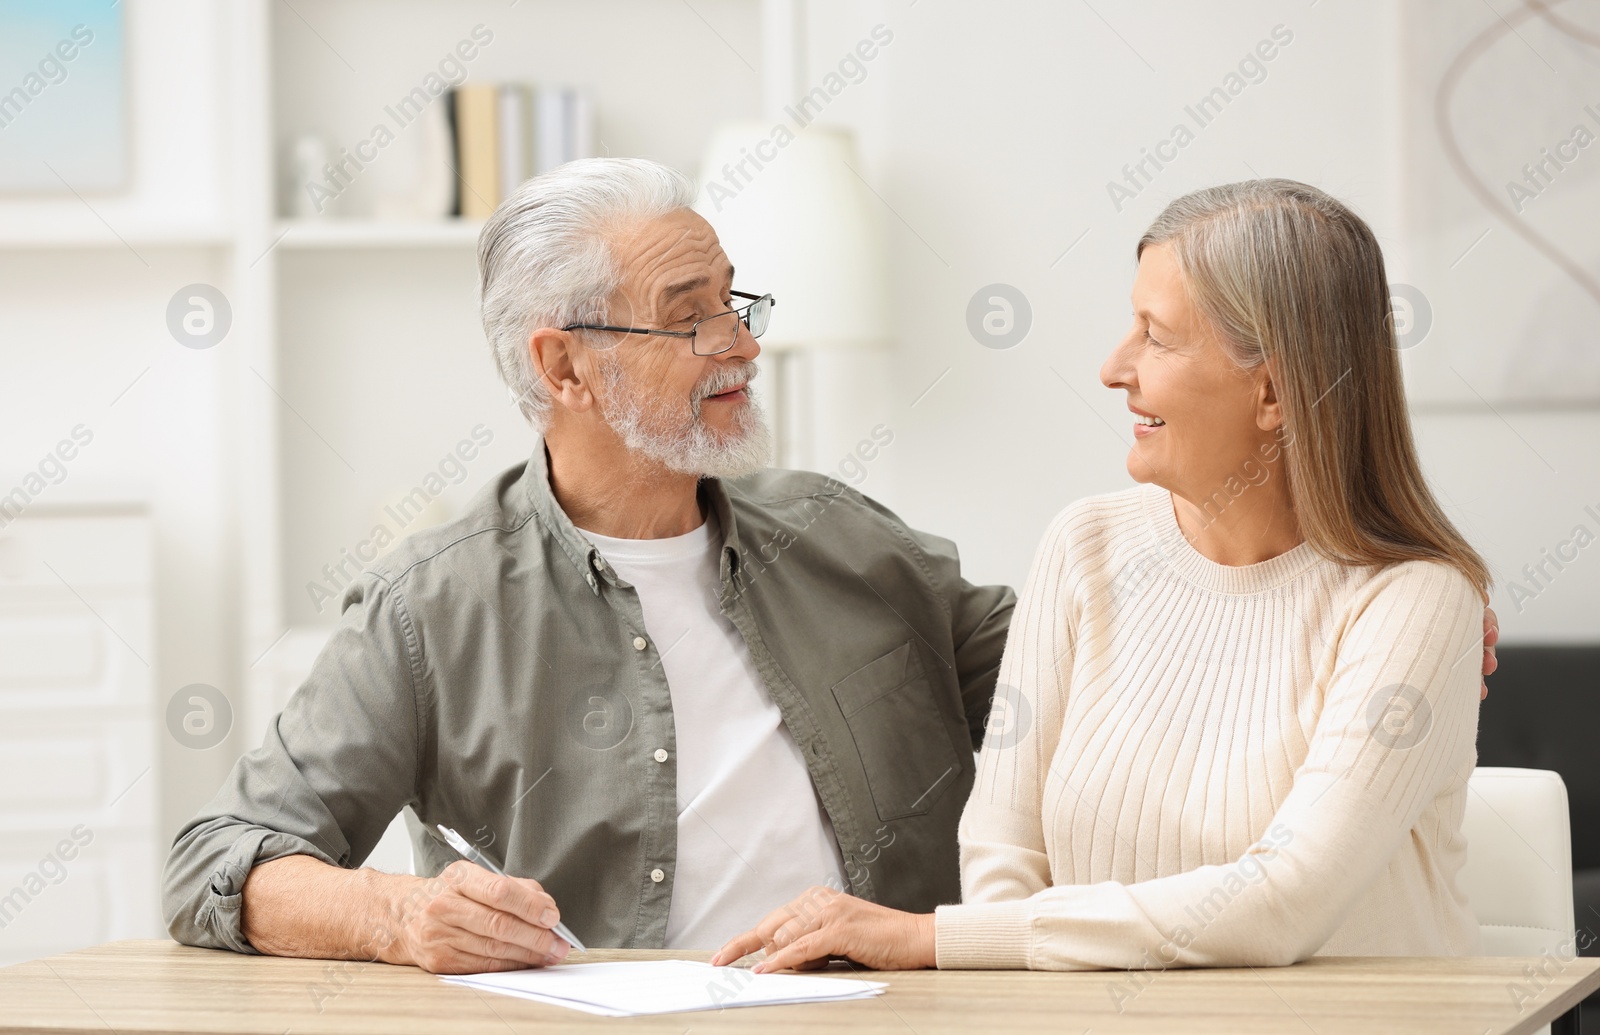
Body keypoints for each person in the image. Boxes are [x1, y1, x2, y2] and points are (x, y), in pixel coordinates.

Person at [161, 159, 1015, 973]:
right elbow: (216, 858)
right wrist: (399, 917)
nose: (743, 347)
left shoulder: (843, 536)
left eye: (734, 302)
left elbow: (1078, 670)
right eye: (691, 317)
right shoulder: (429, 609)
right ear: (563, 365)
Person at [713, 179, 1495, 974]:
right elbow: (1003, 848)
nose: (1113, 367)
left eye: (1156, 337)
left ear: (1273, 390)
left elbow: (1285, 900)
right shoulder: (1085, 546)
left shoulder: (1417, 601)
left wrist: (932, 939)